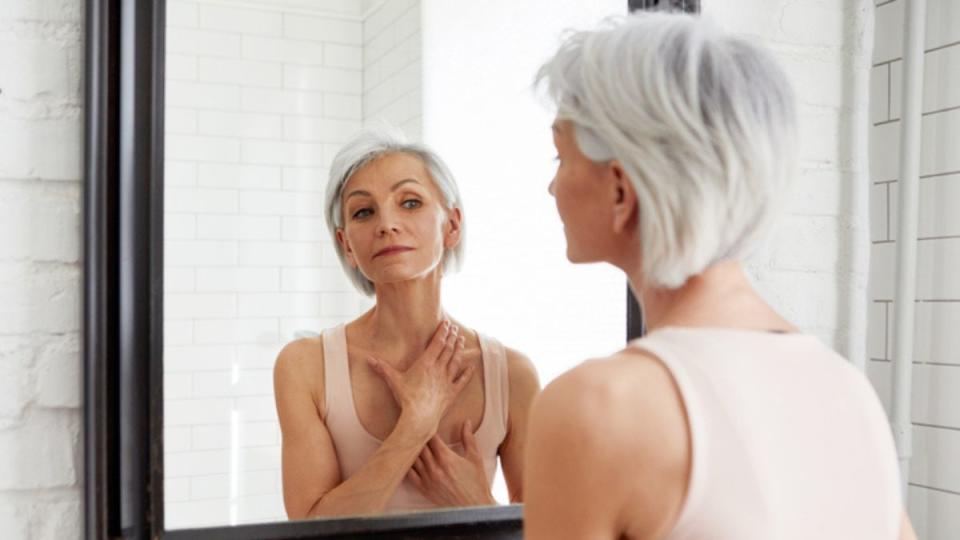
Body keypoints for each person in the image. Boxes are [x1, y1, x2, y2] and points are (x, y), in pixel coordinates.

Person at [523, 12, 916, 540]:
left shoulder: (597, 406)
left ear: (620, 190)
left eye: (559, 156)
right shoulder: (848, 391)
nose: (551, 188)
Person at [273, 127, 540, 518]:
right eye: (364, 211)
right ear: (347, 245)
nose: (387, 224)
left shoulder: (511, 374)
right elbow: (309, 530)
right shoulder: (304, 367)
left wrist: (476, 504)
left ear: (452, 225)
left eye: (410, 202)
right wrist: (415, 424)